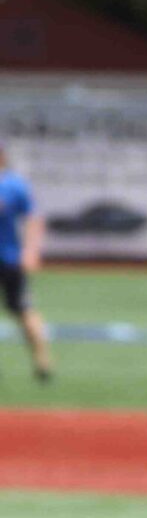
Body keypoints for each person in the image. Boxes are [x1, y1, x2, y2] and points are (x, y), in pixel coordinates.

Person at [0, 146, 54, 383]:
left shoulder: (13, 185)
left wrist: (31, 251)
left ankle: (43, 362)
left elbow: (34, 218)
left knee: (23, 310)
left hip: (9, 258)